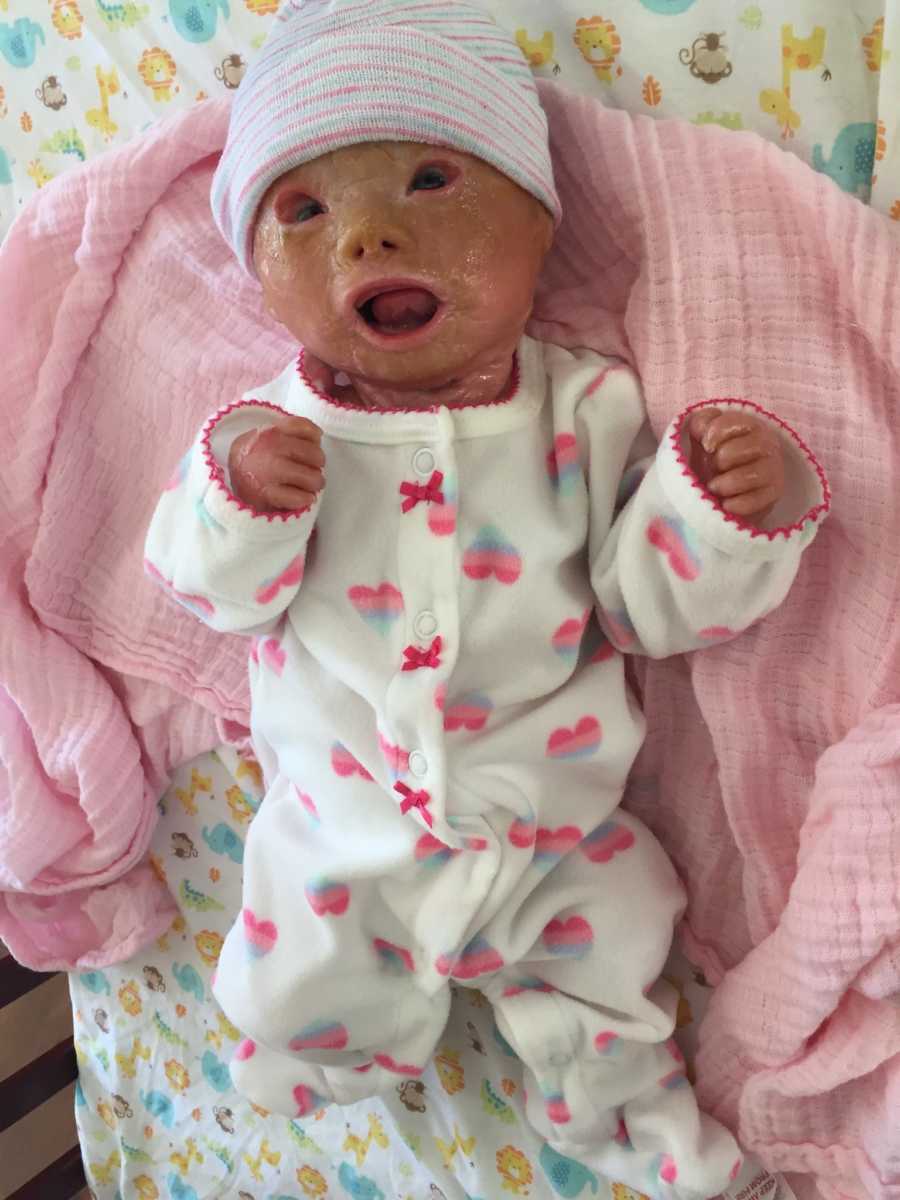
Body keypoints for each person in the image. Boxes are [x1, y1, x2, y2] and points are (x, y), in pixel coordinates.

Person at [144, 2, 829, 1196]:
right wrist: (241, 501)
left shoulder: (586, 413)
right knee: (297, 976)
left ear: (539, 222)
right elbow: (207, 592)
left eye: (430, 178)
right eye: (303, 211)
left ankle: (657, 1151)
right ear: (254, 270)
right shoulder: (270, 430)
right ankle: (309, 1079)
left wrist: (714, 510)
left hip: (555, 827)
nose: (367, 231)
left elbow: (640, 611)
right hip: (340, 825)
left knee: (617, 977)